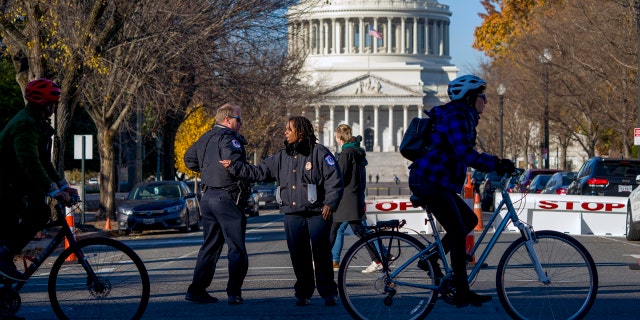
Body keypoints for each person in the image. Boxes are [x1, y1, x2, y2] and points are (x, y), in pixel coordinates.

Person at [408, 74, 515, 308]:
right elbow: (465, 154)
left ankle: (431, 257)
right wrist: (496, 163)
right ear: (469, 97)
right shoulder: (457, 116)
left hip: (434, 180)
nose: (486, 101)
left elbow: (463, 153)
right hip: (429, 180)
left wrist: (494, 163)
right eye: (482, 96)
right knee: (457, 230)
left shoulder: (460, 115)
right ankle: (462, 289)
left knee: (467, 220)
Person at [221, 116, 343, 307]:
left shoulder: (319, 153)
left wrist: (330, 203)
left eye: (289, 129)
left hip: (317, 212)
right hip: (292, 213)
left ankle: (328, 292)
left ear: (300, 132)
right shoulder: (282, 156)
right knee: (298, 255)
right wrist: (236, 167)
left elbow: (334, 179)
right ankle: (303, 292)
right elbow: (259, 172)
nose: (285, 132)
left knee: (321, 253)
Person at [0, 78, 78, 282]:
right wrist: (52, 190)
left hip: (15, 187)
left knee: (38, 212)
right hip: (5, 188)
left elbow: (44, 162)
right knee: (35, 215)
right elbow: (29, 162)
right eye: (53, 103)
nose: (54, 107)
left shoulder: (36, 124)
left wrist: (63, 186)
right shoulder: (25, 124)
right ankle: (3, 257)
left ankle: (5, 299)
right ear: (45, 104)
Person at [183, 103, 250, 305]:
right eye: (239, 119)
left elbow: (189, 159)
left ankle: (196, 289)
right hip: (227, 197)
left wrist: (208, 169)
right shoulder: (229, 139)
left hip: (208, 197)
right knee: (236, 247)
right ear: (228, 119)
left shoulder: (205, 137)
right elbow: (234, 164)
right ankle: (234, 292)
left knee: (210, 246)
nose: (241, 124)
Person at [330, 124, 380, 273]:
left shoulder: (346, 153)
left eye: (336, 137)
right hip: (353, 196)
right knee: (349, 230)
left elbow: (340, 177)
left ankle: (377, 259)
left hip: (346, 199)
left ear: (339, 138)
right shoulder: (357, 152)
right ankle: (377, 259)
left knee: (337, 229)